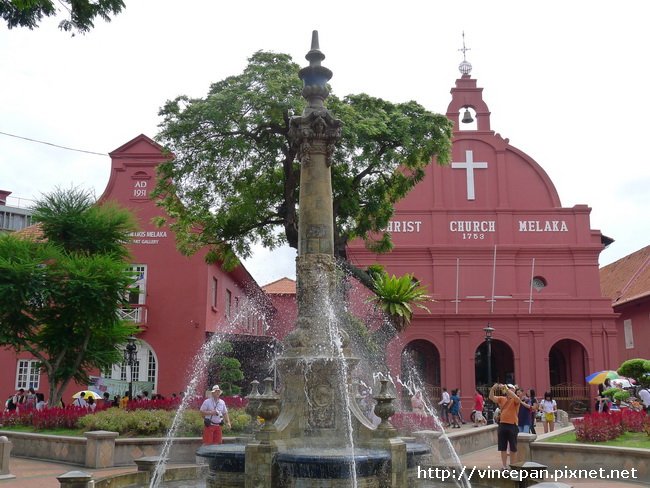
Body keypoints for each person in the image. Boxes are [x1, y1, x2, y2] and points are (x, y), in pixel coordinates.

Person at [489, 383, 521, 470]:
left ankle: (513, 466)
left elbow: (517, 398)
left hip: (512, 425)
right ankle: (504, 466)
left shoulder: (516, 400)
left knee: (513, 447)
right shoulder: (502, 399)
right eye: (508, 388)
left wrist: (506, 388)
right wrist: (493, 389)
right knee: (502, 447)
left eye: (511, 389)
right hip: (502, 424)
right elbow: (491, 397)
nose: (508, 390)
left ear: (514, 390)